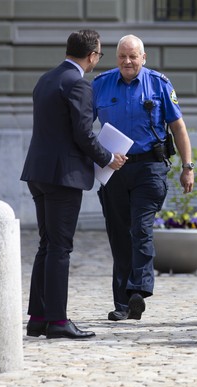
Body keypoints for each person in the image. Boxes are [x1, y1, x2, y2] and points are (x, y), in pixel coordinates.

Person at [21, 30, 127, 339]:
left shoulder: (46, 79)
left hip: (38, 173)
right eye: (99, 55)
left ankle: (38, 317)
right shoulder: (79, 84)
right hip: (63, 176)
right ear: (93, 55)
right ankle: (57, 321)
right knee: (60, 248)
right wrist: (108, 157)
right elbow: (83, 133)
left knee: (47, 244)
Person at [92, 34, 194, 322]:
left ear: (143, 57)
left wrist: (188, 167)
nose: (127, 61)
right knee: (119, 235)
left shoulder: (159, 84)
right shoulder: (100, 85)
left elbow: (178, 128)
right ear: (116, 58)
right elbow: (83, 128)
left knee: (141, 228)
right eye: (122, 56)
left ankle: (139, 289)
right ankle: (122, 304)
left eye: (133, 56)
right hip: (113, 169)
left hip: (149, 168)